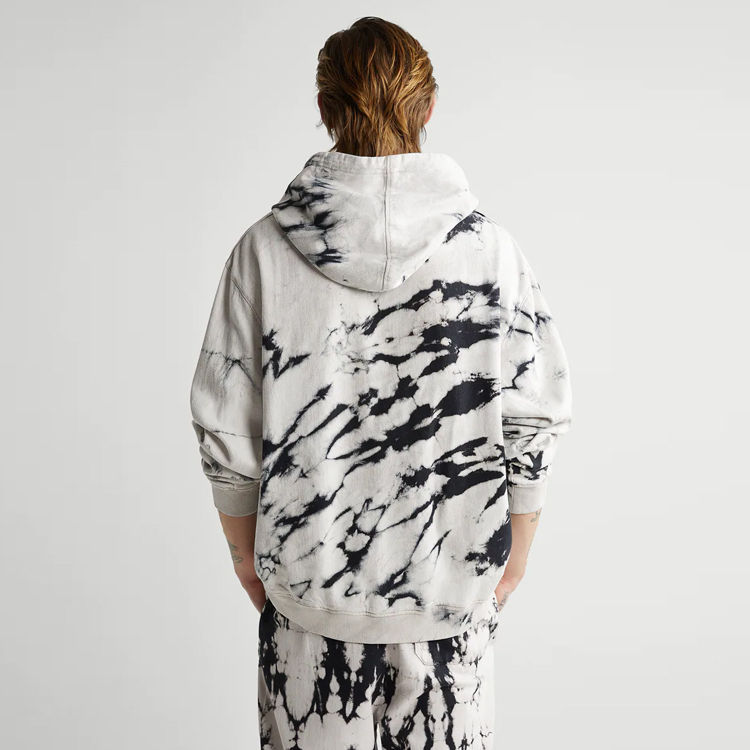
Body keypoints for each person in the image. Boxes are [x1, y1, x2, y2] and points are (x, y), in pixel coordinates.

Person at [189, 15, 573, 749]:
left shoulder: (262, 252)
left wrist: (249, 561)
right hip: (452, 609)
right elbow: (535, 417)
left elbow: (226, 430)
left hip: (307, 610)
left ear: (325, 108)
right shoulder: (492, 252)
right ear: (429, 107)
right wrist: (514, 551)